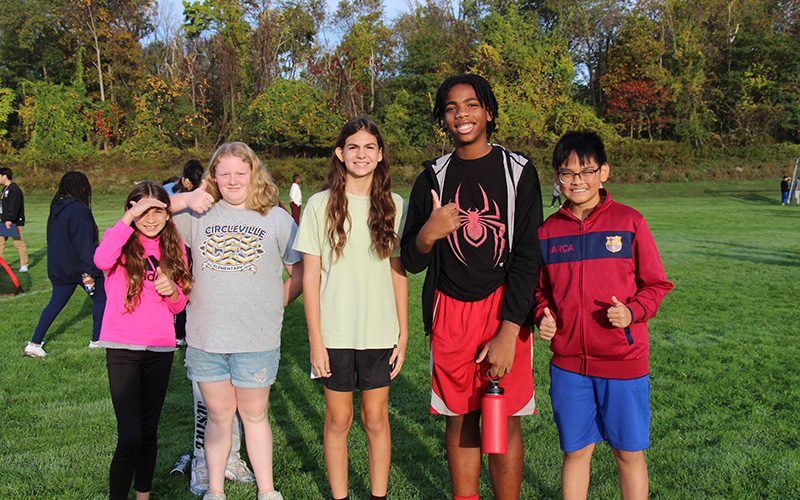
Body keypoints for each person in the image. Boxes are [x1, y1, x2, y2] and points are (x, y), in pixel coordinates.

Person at [400, 74, 542, 500]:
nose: (462, 113)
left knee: (503, 417)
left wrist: (508, 329)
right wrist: (429, 231)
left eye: (472, 104)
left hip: (504, 309)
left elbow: (529, 257)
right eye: (451, 107)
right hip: (450, 310)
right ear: (443, 119)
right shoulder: (432, 179)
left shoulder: (519, 173)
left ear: (489, 112)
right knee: (460, 417)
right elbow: (411, 258)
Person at [535, 131, 674, 500]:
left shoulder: (630, 222)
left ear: (604, 172)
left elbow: (657, 285)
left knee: (627, 453)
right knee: (576, 451)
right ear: (557, 177)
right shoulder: (547, 232)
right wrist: (541, 314)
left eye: (586, 171)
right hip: (568, 366)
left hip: (623, 362)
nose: (577, 181)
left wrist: (632, 312)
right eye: (567, 173)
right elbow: (539, 291)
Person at [173, 142, 303, 500]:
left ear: (254, 174)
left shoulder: (275, 218)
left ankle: (267, 490)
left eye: (240, 173)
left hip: (256, 338)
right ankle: (215, 490)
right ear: (212, 176)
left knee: (255, 414)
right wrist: (185, 199)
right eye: (224, 173)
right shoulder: (198, 214)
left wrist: (277, 304)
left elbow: (300, 270)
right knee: (218, 415)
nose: (232, 180)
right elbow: (145, 212)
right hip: (206, 336)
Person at [294, 117, 408, 500]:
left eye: (369, 148)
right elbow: (310, 277)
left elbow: (397, 272)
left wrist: (403, 333)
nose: (362, 154)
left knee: (375, 419)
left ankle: (379, 495)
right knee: (338, 419)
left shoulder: (396, 205)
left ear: (380, 155)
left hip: (379, 330)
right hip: (335, 332)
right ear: (340, 154)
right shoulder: (318, 205)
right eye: (353, 147)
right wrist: (316, 340)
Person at [94, 181, 192, 500]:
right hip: (123, 349)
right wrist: (127, 220)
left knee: (149, 432)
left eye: (157, 211)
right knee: (130, 435)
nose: (150, 219)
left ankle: (144, 496)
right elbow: (100, 260)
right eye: (142, 211)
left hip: (160, 349)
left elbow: (179, 305)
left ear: (167, 214)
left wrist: (173, 291)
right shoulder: (121, 242)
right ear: (131, 212)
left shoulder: (173, 244)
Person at [23, 172, 107, 357]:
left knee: (55, 303)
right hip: (80, 269)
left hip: (59, 267)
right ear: (82, 187)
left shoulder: (57, 206)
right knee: (101, 298)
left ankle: (34, 343)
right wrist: (91, 270)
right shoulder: (79, 209)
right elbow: (83, 243)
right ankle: (97, 340)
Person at [0, 167, 28, 272]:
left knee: (18, 243)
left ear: (4, 176)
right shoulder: (4, 189)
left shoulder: (14, 189)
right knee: (0, 242)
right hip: (4, 221)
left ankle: (24, 265)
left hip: (14, 222)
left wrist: (10, 219)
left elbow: (14, 206)